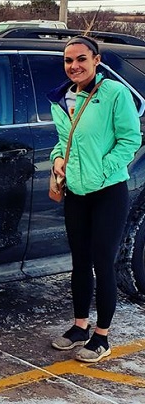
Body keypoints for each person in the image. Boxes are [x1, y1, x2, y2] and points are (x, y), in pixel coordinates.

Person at [48, 35, 141, 363]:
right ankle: (79, 327)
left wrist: (104, 170)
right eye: (68, 60)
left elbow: (130, 139)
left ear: (96, 60)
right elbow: (63, 140)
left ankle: (101, 337)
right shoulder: (61, 99)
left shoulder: (115, 94)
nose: (74, 66)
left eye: (81, 59)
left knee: (103, 262)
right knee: (79, 262)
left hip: (108, 193)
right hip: (75, 192)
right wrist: (57, 159)